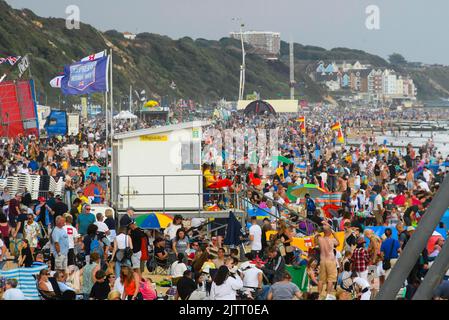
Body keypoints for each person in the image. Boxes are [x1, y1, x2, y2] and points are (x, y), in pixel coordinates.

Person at [317, 221, 340, 298]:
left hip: (323, 260)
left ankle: (318, 295)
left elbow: (315, 240)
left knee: (321, 279)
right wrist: (334, 233)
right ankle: (327, 296)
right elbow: (339, 243)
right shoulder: (332, 240)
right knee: (330, 279)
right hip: (330, 260)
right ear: (330, 232)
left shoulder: (320, 239)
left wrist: (322, 228)